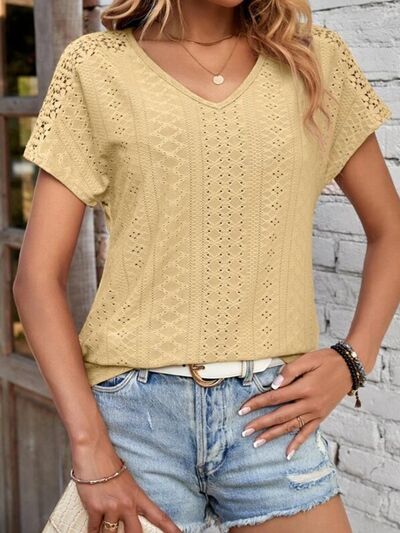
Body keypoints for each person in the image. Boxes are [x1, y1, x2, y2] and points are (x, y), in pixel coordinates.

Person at [14, 0, 400, 532]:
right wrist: (89, 444)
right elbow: (36, 279)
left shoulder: (316, 61)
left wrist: (353, 359)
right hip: (136, 422)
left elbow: (390, 230)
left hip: (272, 411)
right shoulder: (96, 66)